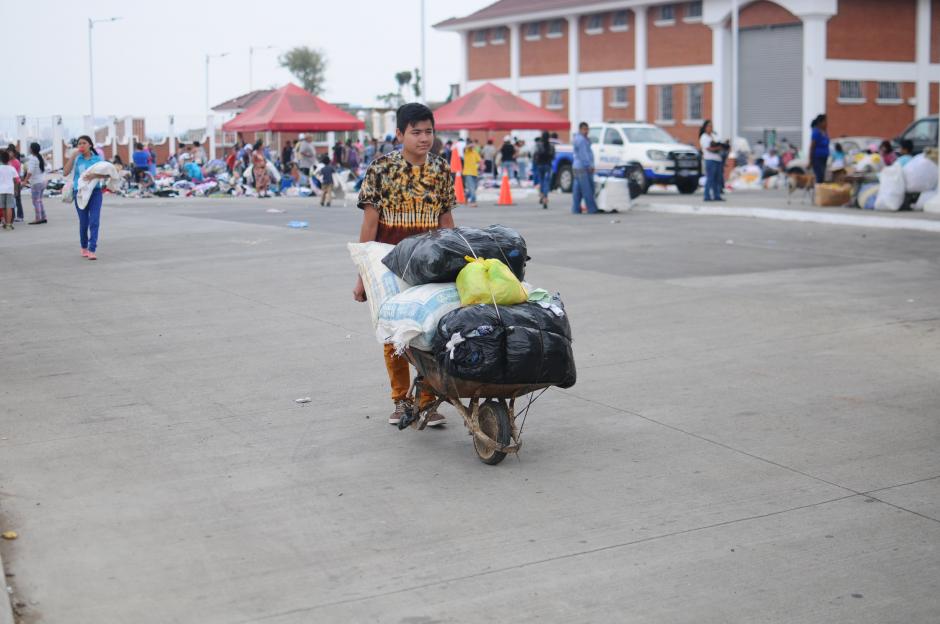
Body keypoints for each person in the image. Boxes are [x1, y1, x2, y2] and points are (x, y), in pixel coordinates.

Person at [354, 102, 456, 427]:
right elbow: (370, 225)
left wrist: (455, 260)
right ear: (400, 134)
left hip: (429, 261)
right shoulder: (381, 169)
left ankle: (428, 400)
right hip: (389, 262)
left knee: (431, 331)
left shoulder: (440, 170)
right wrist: (362, 277)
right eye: (416, 132)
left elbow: (446, 218)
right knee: (394, 333)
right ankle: (401, 399)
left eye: (429, 131)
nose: (424, 138)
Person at [63, 135, 104, 260]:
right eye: (79, 143)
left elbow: (107, 174)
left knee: (94, 221)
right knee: (84, 222)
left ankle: (92, 249)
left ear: (90, 145)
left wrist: (94, 176)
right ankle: (84, 246)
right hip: (79, 193)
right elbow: (65, 172)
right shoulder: (77, 159)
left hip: (95, 192)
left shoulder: (97, 159)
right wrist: (73, 156)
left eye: (84, 143)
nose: (81, 146)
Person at [571, 122, 599, 214]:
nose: (586, 131)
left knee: (577, 190)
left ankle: (575, 208)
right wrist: (589, 165)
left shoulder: (577, 138)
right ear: (580, 129)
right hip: (583, 167)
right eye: (584, 129)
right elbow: (584, 154)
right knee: (587, 189)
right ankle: (592, 208)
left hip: (576, 166)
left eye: (587, 129)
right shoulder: (582, 140)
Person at [699, 120, 724, 201]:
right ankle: (707, 196)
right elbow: (708, 148)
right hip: (710, 159)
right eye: (709, 126)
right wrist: (718, 148)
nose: (710, 127)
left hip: (718, 159)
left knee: (717, 179)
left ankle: (717, 195)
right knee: (710, 178)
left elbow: (719, 143)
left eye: (711, 126)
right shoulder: (704, 137)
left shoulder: (714, 135)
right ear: (705, 127)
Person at [22, 142, 47, 224]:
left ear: (32, 149)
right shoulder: (40, 157)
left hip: (36, 183)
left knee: (35, 201)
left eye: (30, 147)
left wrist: (25, 181)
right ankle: (43, 217)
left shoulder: (33, 159)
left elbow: (30, 172)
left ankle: (38, 218)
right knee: (39, 200)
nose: (29, 149)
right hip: (42, 181)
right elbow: (45, 166)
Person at [533, 130, 555, 208]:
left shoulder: (538, 145)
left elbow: (535, 155)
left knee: (541, 181)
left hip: (540, 165)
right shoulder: (551, 146)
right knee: (546, 181)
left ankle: (542, 195)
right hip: (547, 165)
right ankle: (545, 196)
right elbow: (553, 156)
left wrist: (536, 162)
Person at [0, 150, 19, 230]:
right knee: (9, 207)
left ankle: (4, 222)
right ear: (9, 159)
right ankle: (8, 224)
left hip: (1, 190)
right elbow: (17, 180)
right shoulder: (12, 169)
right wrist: (16, 189)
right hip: (10, 190)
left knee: (3, 207)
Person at [809, 114, 830, 183]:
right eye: (825, 121)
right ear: (820, 123)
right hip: (817, 158)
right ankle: (818, 191)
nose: (826, 123)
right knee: (819, 176)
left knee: (822, 176)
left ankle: (820, 190)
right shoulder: (816, 132)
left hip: (824, 157)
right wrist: (810, 160)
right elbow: (812, 147)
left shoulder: (825, 132)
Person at [7, 145, 24, 222]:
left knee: (17, 200)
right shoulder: (8, 161)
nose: (9, 154)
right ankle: (12, 216)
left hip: (16, 183)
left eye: (10, 153)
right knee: (11, 201)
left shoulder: (16, 162)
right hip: (10, 183)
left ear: (13, 153)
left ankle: (20, 216)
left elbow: (15, 174)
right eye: (8, 153)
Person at [462, 139, 481, 206]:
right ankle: (473, 202)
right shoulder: (466, 151)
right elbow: (464, 148)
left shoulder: (475, 152)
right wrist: (471, 145)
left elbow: (479, 160)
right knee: (472, 188)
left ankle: (466, 196)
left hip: (475, 172)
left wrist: (482, 165)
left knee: (474, 187)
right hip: (467, 173)